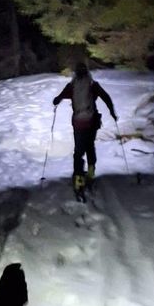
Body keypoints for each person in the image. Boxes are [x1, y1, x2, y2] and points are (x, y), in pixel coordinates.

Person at [52, 62, 117, 201]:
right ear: (87, 72)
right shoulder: (93, 85)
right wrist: (112, 112)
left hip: (78, 124)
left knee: (78, 151)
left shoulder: (72, 86)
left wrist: (56, 101)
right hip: (92, 123)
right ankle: (91, 173)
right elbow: (106, 98)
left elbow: (58, 98)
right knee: (90, 147)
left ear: (76, 73)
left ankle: (78, 180)